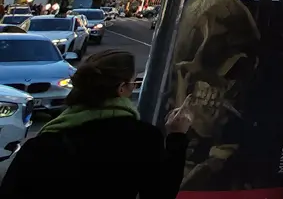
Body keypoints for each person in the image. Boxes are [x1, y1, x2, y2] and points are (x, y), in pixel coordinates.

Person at [0, 50, 192, 199]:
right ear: (121, 88)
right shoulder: (143, 138)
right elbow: (160, 194)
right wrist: (177, 137)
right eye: (134, 82)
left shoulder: (46, 140)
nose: (134, 87)